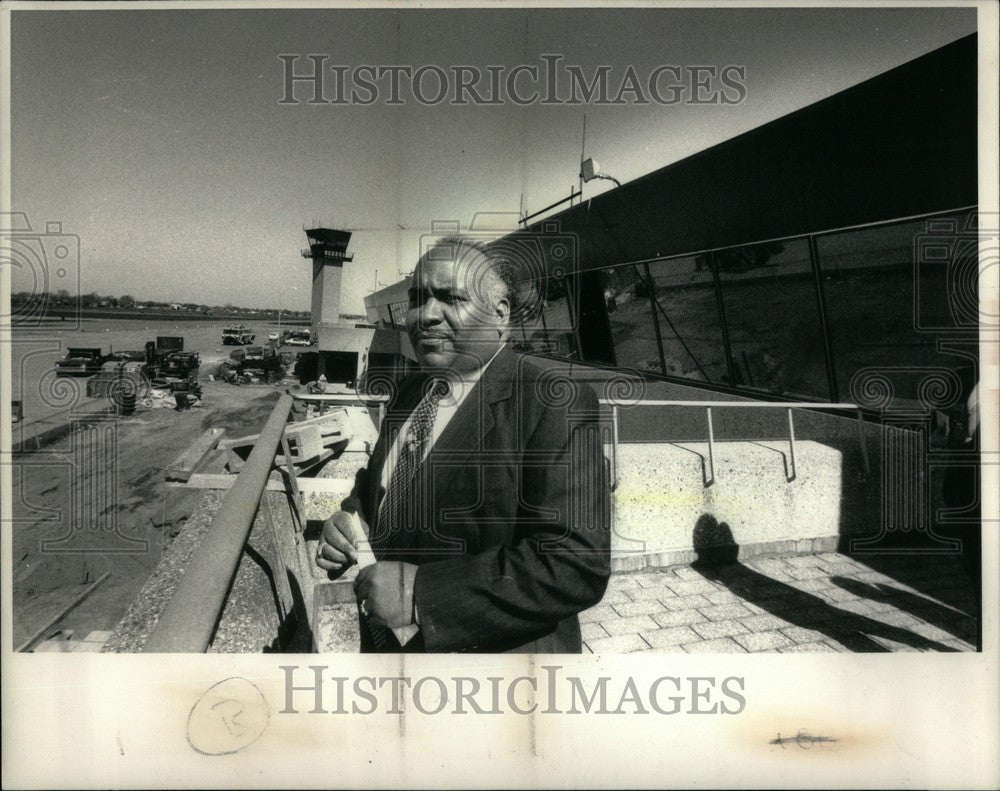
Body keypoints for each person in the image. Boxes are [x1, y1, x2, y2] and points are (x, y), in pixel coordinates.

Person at [316, 235, 611, 652]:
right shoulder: (408, 393)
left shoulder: (553, 403)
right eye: (417, 298)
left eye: (450, 298)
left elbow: (575, 564)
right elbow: (377, 487)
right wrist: (350, 520)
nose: (426, 316)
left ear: (500, 315)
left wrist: (421, 595)